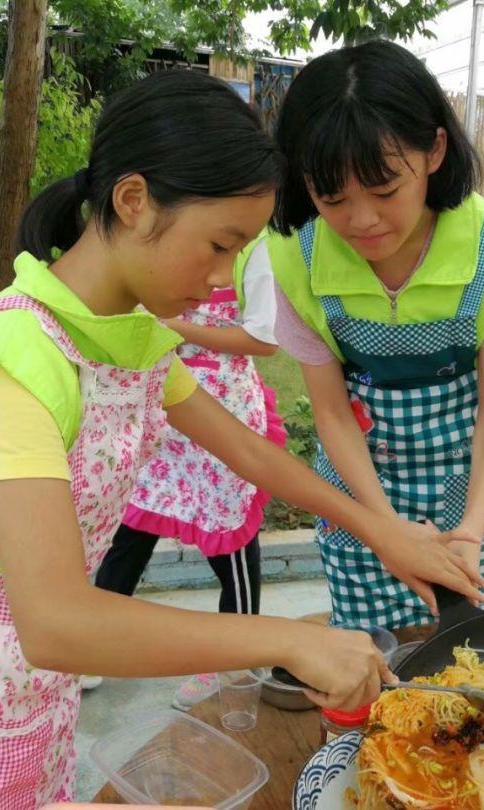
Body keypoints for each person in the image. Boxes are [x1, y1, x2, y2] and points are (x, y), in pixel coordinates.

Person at [0, 70, 484, 809]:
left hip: (27, 694)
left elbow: (250, 453)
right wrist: (287, 639)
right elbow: (58, 621)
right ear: (134, 201)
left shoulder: (127, 338)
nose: (223, 278)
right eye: (219, 245)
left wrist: (383, 532)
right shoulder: (12, 360)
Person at [256, 41, 484, 630]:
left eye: (385, 189)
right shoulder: (295, 258)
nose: (362, 220)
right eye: (332, 197)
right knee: (374, 661)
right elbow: (333, 414)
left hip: (471, 496)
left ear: (435, 149)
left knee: (478, 650)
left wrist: (469, 530)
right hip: (362, 494)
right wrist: (384, 527)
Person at [93, 234, 285, 709]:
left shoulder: (257, 251)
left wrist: (176, 327)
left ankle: (234, 658)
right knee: (132, 526)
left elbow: (263, 340)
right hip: (164, 412)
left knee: (231, 541)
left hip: (223, 414)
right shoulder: (169, 231)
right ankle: (91, 647)